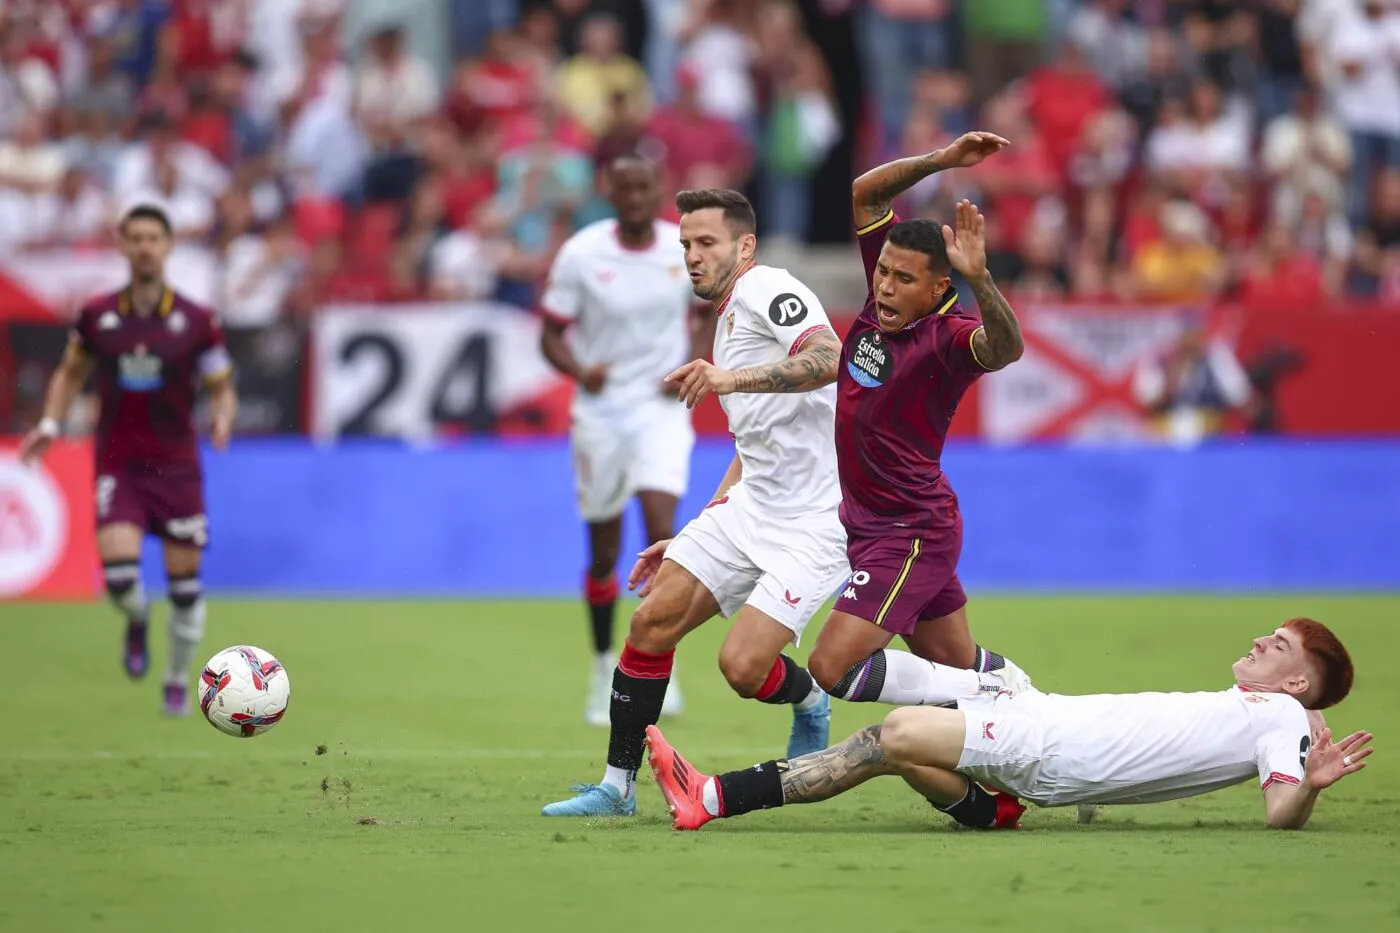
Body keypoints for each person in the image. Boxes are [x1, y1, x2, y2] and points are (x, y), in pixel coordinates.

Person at [542, 187, 848, 817]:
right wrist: (701, 525)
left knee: (742, 668)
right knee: (651, 623)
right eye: (684, 244)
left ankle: (810, 696)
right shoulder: (731, 316)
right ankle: (616, 789)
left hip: (817, 520)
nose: (692, 256)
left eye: (706, 243)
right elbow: (753, 442)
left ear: (745, 245)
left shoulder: (769, 290)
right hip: (753, 505)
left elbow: (828, 357)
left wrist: (725, 377)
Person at [647, 617, 1366, 832]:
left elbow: (1280, 811)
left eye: (1279, 648)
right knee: (932, 673)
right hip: (1041, 708)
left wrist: (1311, 786)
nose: (1261, 643)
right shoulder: (1259, 707)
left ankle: (712, 795)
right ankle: (985, 807)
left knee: (896, 735)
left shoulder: (1282, 716)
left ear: (1299, 682)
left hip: (1054, 748)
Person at [807, 132, 1031, 706]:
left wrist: (981, 279)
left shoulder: (948, 340)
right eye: (882, 271)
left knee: (832, 667)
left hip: (910, 532)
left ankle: (981, 697)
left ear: (939, 289)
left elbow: (1007, 350)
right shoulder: (882, 299)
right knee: (957, 662)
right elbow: (865, 194)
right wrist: (940, 161)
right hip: (867, 524)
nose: (884, 285)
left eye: (903, 280)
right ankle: (1045, 726)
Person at [20, 204, 237, 716]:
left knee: (185, 587)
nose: (144, 246)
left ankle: (178, 680)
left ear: (168, 246)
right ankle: (137, 619)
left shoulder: (197, 321)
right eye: (135, 237)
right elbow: (70, 373)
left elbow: (221, 384)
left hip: (178, 466)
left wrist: (223, 416)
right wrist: (51, 424)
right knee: (119, 581)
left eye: (153, 238)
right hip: (119, 463)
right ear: (121, 245)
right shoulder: (98, 317)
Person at [538, 155, 707, 726]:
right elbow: (550, 334)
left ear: (659, 189)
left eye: (645, 186)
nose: (636, 196)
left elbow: (708, 311)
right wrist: (580, 370)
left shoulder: (680, 248)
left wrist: (694, 360)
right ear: (611, 191)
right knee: (605, 553)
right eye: (625, 186)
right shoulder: (583, 253)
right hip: (601, 415)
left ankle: (660, 661)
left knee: (664, 534)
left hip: (661, 410)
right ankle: (603, 663)